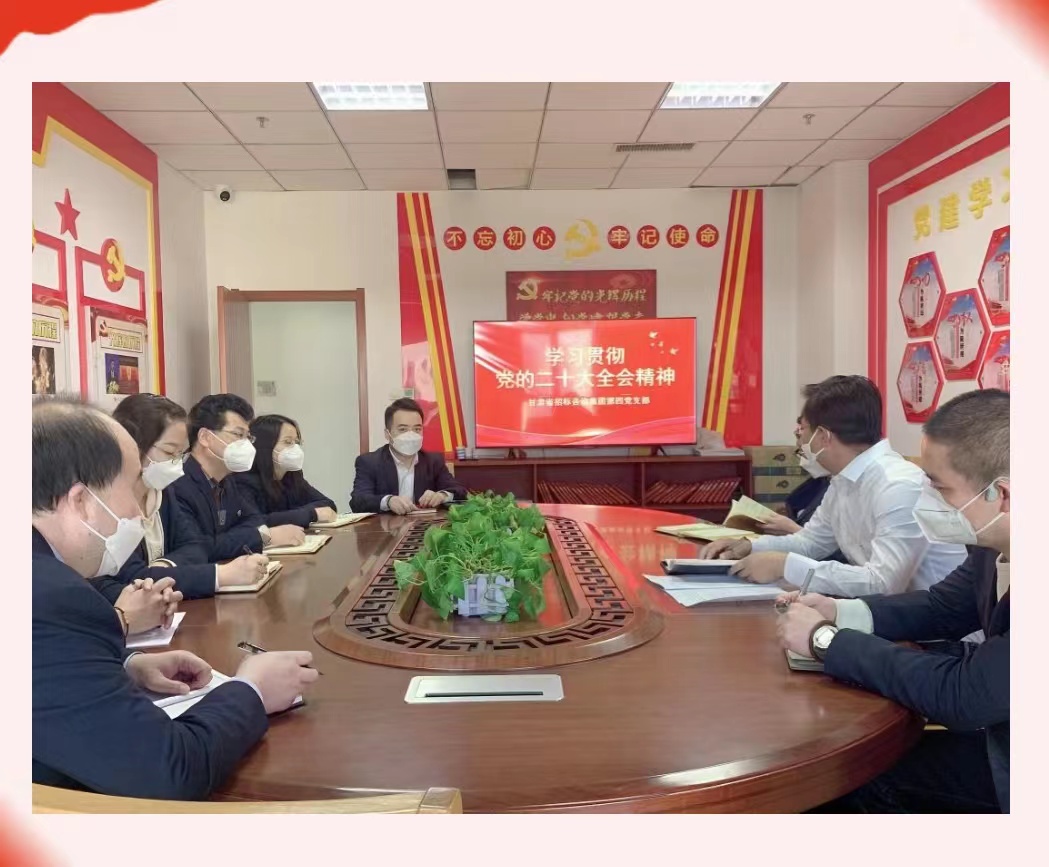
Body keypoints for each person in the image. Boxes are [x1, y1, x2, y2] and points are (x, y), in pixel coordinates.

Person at [32, 395, 318, 799]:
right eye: (131, 484)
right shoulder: (51, 598)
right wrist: (252, 690)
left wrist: (127, 664)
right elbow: (169, 770)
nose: (137, 511)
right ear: (81, 501)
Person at [776, 389, 1009, 812]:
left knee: (851, 776)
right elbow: (942, 607)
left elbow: (964, 695)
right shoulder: (990, 546)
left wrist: (826, 641)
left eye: (938, 487)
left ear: (1002, 495)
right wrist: (840, 611)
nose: (926, 499)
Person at [702, 376, 966, 596]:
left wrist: (786, 566)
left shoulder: (899, 486)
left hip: (935, 632)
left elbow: (883, 583)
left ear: (823, 436)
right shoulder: (843, 480)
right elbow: (811, 543)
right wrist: (750, 546)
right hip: (888, 615)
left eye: (802, 430)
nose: (799, 442)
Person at [91, 394, 269, 604]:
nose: (176, 463)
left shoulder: (162, 492)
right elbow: (132, 578)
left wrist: (163, 566)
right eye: (169, 452)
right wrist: (220, 575)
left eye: (180, 453)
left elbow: (195, 547)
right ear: (132, 447)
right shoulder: (105, 504)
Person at [166, 394, 306, 562]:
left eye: (248, 437)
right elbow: (199, 547)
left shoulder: (227, 480)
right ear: (205, 437)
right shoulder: (178, 484)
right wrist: (262, 536)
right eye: (238, 435)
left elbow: (255, 521)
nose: (246, 444)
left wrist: (235, 537)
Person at [350, 398, 466, 514]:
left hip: (425, 524)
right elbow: (358, 501)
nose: (411, 435)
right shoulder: (369, 462)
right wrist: (388, 501)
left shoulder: (433, 461)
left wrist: (442, 496)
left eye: (417, 429)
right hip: (385, 525)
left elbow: (460, 491)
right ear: (387, 434)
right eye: (403, 429)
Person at [237, 414, 338, 528]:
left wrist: (294, 516)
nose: (295, 448)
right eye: (288, 442)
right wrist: (311, 514)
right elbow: (257, 523)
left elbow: (328, 504)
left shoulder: (292, 476)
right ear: (265, 445)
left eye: (296, 442)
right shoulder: (243, 481)